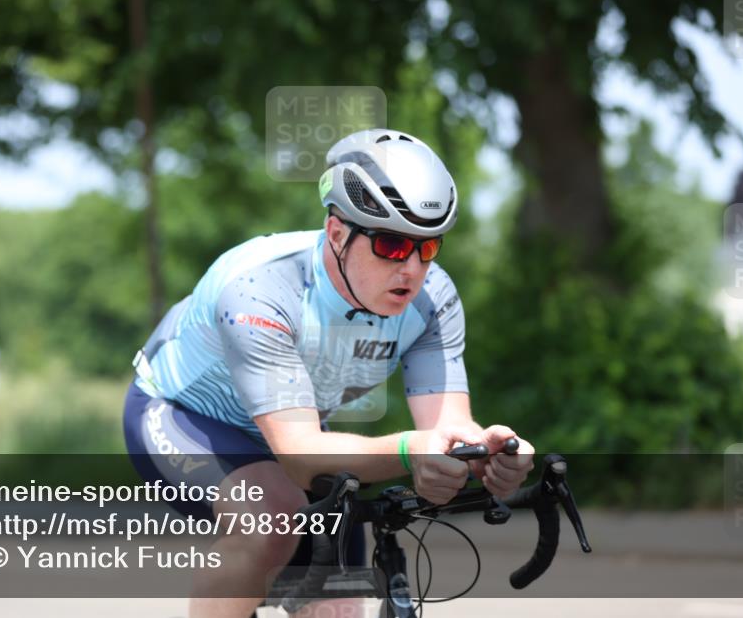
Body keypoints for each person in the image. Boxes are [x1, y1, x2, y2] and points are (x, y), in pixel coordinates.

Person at [123, 129, 535, 617]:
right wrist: (410, 450)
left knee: (338, 601)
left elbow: (447, 430)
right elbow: (301, 457)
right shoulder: (260, 289)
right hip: (182, 416)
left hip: (296, 426)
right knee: (272, 517)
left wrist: (485, 454)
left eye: (427, 248)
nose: (411, 268)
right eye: (391, 245)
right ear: (337, 233)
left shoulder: (432, 299)